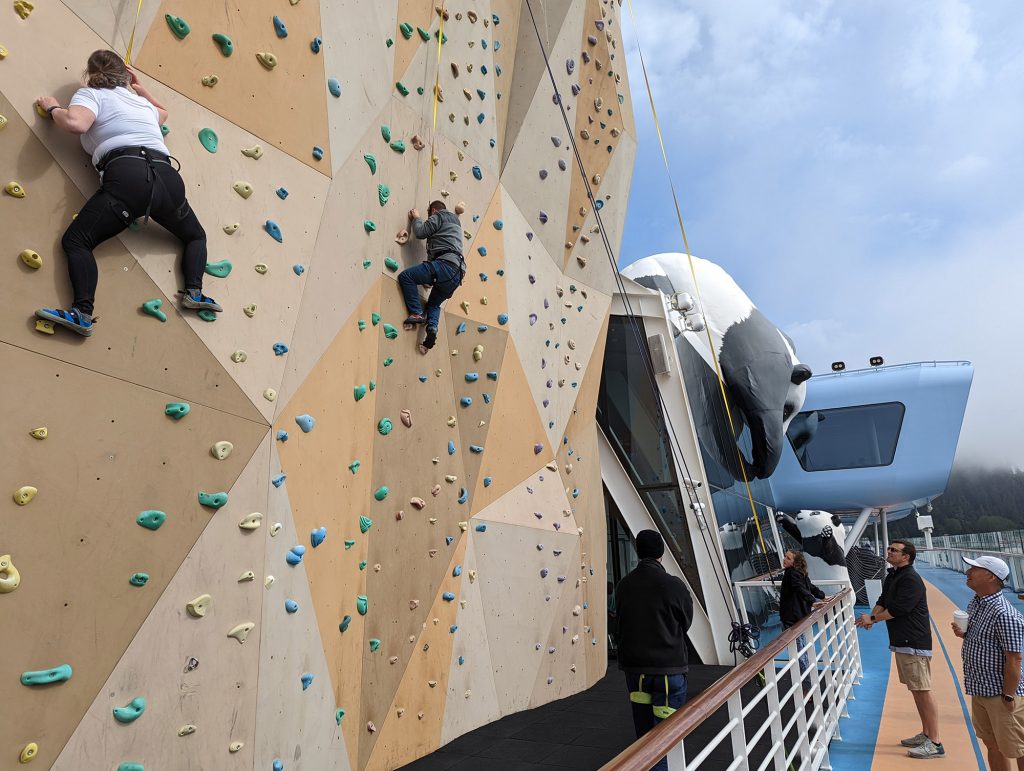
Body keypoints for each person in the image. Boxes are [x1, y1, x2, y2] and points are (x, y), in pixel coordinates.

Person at [34, 49, 219, 337]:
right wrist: (140, 86)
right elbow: (164, 113)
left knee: (77, 241)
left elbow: (75, 124)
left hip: (128, 176)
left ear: (92, 74)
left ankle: (82, 313)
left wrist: (52, 108)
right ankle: (194, 292)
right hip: (168, 178)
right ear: (125, 77)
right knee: (196, 235)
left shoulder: (91, 94)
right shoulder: (140, 103)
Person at [855, 539, 944, 758]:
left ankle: (935, 742)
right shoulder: (894, 575)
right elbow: (884, 600)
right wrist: (869, 617)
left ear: (907, 556)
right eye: (889, 549)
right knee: (916, 689)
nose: (889, 552)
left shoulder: (911, 579)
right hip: (902, 641)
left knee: (922, 690)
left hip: (914, 641)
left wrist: (872, 618)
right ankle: (926, 733)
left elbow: (898, 610)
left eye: (894, 550)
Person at [614, 530, 693, 771]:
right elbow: (686, 621)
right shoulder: (673, 585)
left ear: (638, 552)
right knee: (667, 734)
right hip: (668, 670)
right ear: (661, 553)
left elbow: (619, 622)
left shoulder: (624, 585)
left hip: (636, 671)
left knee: (645, 736)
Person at [951, 556, 1024, 771]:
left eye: (974, 569)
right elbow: (987, 640)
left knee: (1018, 748)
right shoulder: (976, 603)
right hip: (980, 688)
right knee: (992, 745)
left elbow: (1014, 658)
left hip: (1001, 694)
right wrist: (965, 634)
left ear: (991, 576)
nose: (968, 572)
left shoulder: (1005, 614)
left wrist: (1009, 695)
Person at [398, 200, 465, 354]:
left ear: (433, 211)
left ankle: (416, 313)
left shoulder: (439, 216)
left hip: (444, 266)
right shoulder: (456, 223)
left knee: (406, 277)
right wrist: (429, 278)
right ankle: (432, 329)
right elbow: (438, 246)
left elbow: (421, 232)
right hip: (457, 274)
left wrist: (416, 218)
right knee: (434, 304)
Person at [779, 550, 828, 678]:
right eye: (785, 556)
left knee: (797, 652)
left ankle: (807, 681)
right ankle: (809, 678)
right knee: (802, 649)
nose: (784, 559)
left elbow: (801, 588)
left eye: (788, 558)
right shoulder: (800, 573)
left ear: (795, 562)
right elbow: (808, 587)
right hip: (799, 616)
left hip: (791, 618)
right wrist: (821, 596)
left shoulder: (791, 574)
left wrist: (813, 601)